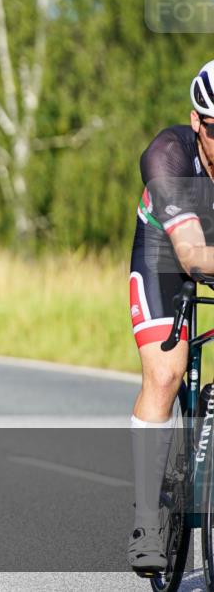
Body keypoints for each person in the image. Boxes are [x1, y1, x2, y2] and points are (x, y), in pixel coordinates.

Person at [127, 59, 214, 574]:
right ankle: (145, 518)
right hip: (167, 253)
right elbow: (192, 257)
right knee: (164, 374)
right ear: (197, 121)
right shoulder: (168, 154)